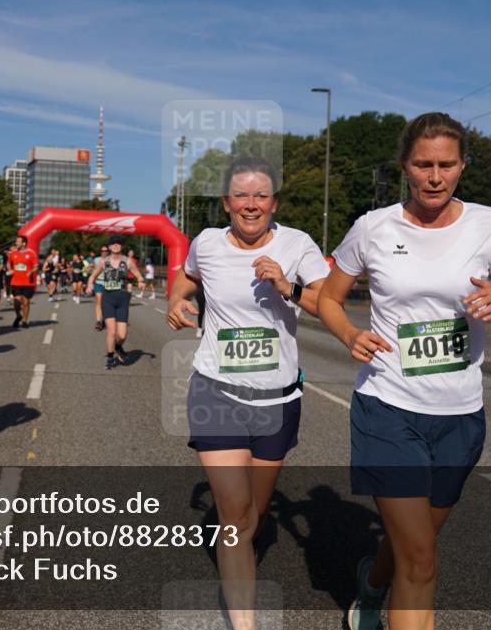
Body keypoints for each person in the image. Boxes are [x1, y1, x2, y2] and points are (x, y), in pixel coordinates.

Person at [317, 113, 491, 630]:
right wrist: (350, 334)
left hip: (461, 417)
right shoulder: (373, 227)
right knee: (422, 559)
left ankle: (372, 583)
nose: (434, 177)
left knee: (415, 541)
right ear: (404, 167)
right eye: (423, 165)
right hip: (387, 407)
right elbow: (329, 298)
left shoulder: (487, 224)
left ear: (462, 166)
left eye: (445, 164)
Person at [166, 156, 329, 629]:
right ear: (226, 202)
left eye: (261, 196)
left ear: (274, 202)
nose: (251, 204)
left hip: (277, 401)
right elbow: (187, 280)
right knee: (234, 513)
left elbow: (327, 304)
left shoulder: (297, 244)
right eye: (242, 195)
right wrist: (176, 303)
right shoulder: (208, 243)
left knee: (253, 512)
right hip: (216, 391)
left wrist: (287, 284)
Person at [86, 234, 145, 369]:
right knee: (111, 331)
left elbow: (138, 274)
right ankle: (110, 356)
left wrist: (141, 281)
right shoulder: (103, 262)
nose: (116, 245)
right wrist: (90, 285)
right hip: (108, 298)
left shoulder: (128, 262)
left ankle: (118, 347)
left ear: (121, 246)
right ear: (110, 246)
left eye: (118, 243)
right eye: (113, 243)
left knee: (122, 334)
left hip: (123, 299)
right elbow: (93, 276)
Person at [6, 235, 38, 328]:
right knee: (17, 301)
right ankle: (18, 316)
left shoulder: (31, 253)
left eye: (18, 242)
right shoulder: (13, 253)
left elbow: (36, 267)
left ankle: (24, 320)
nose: (16, 243)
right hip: (15, 281)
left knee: (26, 302)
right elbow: (8, 262)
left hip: (28, 282)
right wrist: (10, 269)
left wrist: (31, 271)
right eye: (16, 241)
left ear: (24, 243)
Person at [91, 245, 108, 330]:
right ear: (100, 251)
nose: (104, 252)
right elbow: (93, 269)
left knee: (106, 303)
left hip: (108, 284)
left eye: (106, 250)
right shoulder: (96, 259)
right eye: (102, 250)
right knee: (99, 300)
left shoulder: (111, 259)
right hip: (98, 282)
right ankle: (98, 321)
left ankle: (105, 319)